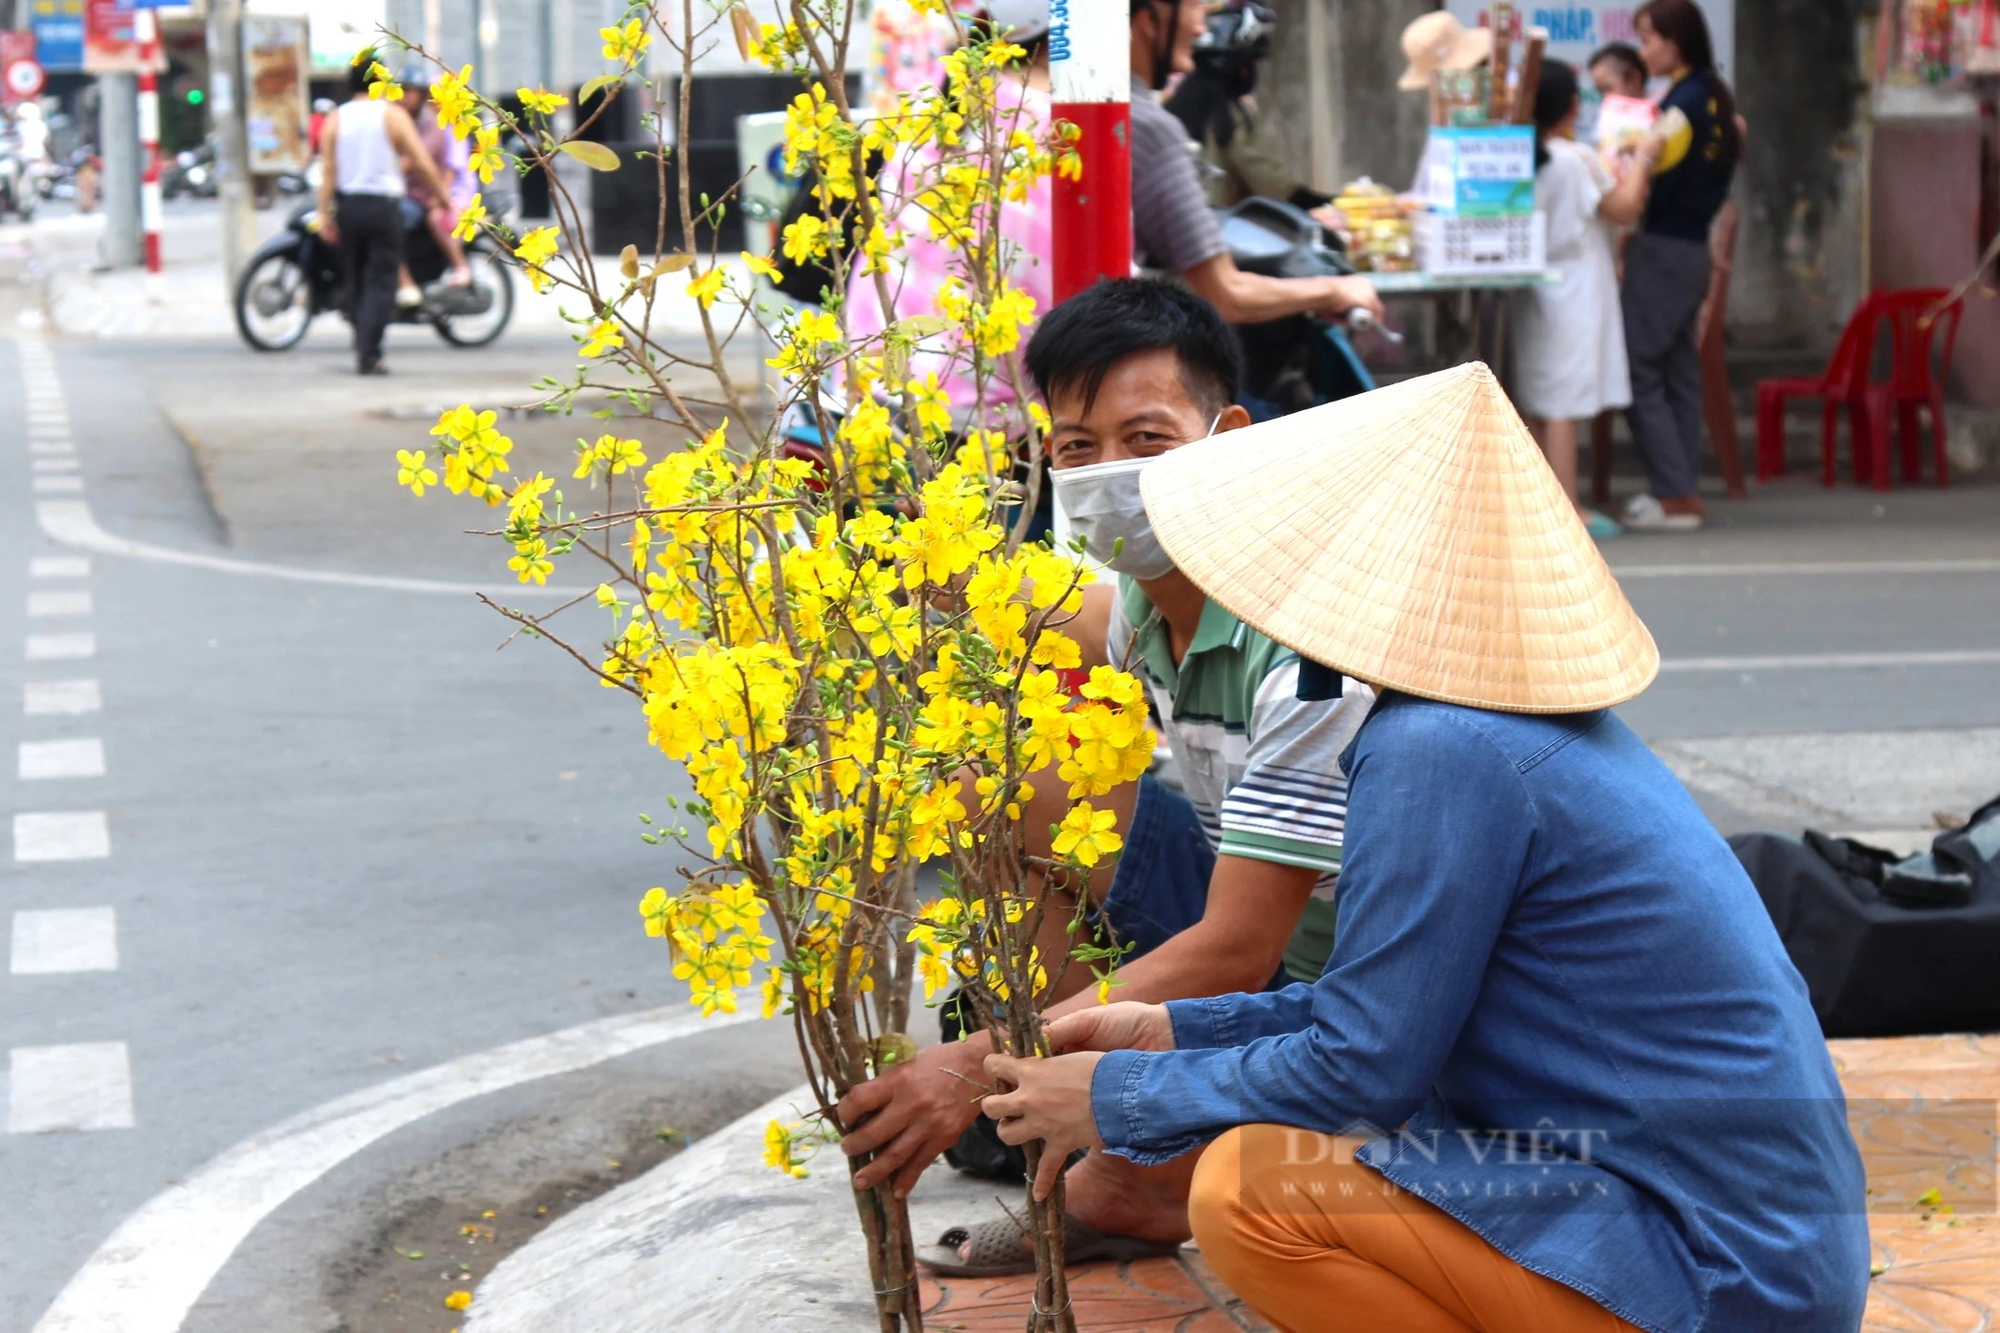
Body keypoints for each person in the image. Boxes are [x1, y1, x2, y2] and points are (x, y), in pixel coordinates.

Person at [978, 362, 1873, 1333]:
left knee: (1249, 1189)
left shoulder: (1435, 746)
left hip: (1715, 1269)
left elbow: (1360, 1068)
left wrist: (1118, 1096)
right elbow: (1383, 1008)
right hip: (1742, 1244)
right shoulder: (1488, 728)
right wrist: (1174, 1031)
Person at [837, 279, 1377, 1272]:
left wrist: (973, 1062)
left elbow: (1238, 952)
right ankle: (1108, 1132)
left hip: (1335, 977)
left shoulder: (1307, 644)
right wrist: (864, 576)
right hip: (1248, 912)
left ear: (1226, 437)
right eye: (1078, 448)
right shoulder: (1147, 596)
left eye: (1145, 440)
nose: (1107, 473)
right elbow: (1030, 602)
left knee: (1041, 800)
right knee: (987, 787)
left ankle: (1134, 1166)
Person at [1127, 0, 1381, 326]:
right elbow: (1225, 293)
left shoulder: (1061, 112)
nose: (1201, 27)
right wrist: (1334, 290)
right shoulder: (1152, 127)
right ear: (1150, 19)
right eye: (1194, 7)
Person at [1510, 60, 1653, 540]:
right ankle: (1570, 508)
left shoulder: (1517, 156)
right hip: (1575, 285)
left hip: (1533, 284)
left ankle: (1536, 504)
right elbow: (1625, 208)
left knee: (1534, 397)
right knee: (1562, 404)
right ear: (1572, 106)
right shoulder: (1577, 158)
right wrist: (1645, 157)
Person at [1618, 0, 1741, 531]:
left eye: (1648, 40)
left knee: (1636, 367)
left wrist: (1631, 158)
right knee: (1677, 372)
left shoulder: (1678, 109)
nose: (1644, 52)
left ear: (1676, 40)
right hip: (1692, 251)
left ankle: (1674, 494)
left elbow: (1642, 181)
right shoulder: (1714, 97)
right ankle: (1680, 490)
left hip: (1664, 250)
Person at [316, 53, 451, 375]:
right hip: (383, 207)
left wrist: (325, 215)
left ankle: (362, 341)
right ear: (383, 81)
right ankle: (369, 353)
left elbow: (329, 171)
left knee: (356, 276)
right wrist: (445, 198)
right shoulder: (392, 116)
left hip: (349, 206)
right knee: (382, 280)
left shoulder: (336, 118)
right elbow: (421, 161)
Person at [1163, 1, 1328, 212]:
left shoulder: (1173, 106)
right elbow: (1270, 181)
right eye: (1251, 63)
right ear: (1238, 65)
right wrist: (1320, 203)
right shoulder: (1229, 116)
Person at [399, 77, 473, 301]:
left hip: (456, 192)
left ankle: (461, 267)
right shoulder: (430, 125)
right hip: (438, 191)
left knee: (435, 218)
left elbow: (452, 170)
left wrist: (441, 197)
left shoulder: (453, 128)